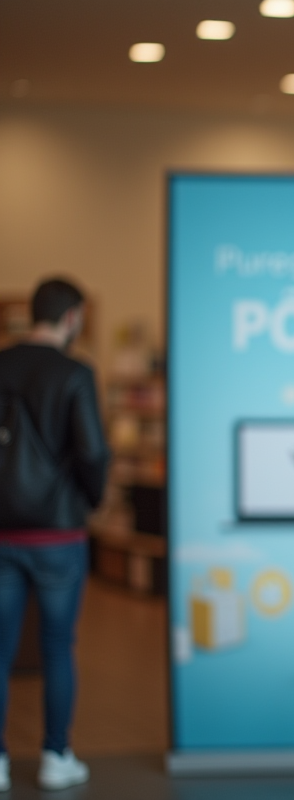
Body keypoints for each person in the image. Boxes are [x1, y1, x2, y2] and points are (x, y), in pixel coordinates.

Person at [0, 278, 110, 792]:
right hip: (58, 535)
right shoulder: (75, 373)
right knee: (58, 647)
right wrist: (89, 500)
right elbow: (92, 451)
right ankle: (55, 755)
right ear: (72, 318)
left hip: (2, 533)